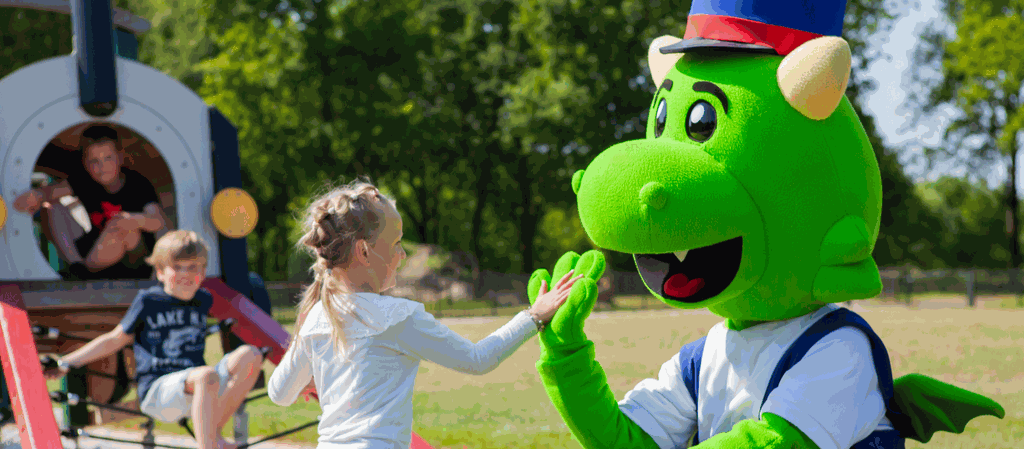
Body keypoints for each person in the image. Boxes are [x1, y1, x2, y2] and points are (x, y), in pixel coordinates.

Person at [267, 179, 582, 449]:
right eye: (396, 243)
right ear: (364, 251)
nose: (402, 255)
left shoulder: (317, 316)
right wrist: (535, 316)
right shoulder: (397, 317)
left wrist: (315, 382)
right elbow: (477, 359)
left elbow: (279, 393)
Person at [45, 231, 262, 449]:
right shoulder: (149, 300)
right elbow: (115, 339)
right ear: (160, 272)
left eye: (193, 267)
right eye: (177, 267)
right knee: (206, 375)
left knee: (250, 355)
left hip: (199, 390)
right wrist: (67, 362)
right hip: (158, 392)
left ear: (203, 272)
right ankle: (211, 445)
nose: (185, 274)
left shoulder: (203, 299)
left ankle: (212, 436)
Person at [13, 124, 166, 279]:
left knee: (125, 227)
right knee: (51, 208)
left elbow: (158, 221)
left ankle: (84, 272)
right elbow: (51, 192)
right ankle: (77, 266)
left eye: (108, 158)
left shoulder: (138, 184)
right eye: (94, 161)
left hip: (132, 261)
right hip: (98, 251)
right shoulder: (84, 180)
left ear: (120, 157)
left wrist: (133, 219)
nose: (102, 167)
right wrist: (37, 195)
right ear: (85, 163)